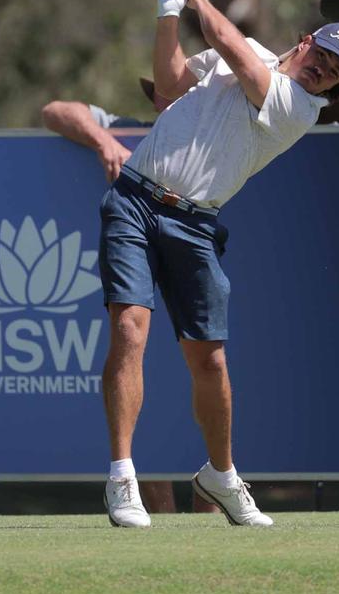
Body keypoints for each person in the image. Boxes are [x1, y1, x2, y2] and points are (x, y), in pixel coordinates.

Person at [100, 0, 339, 528]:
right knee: (130, 328)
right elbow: (171, 86)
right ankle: (123, 477)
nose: (323, 71)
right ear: (305, 43)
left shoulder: (298, 107)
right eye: (323, 56)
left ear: (331, 90)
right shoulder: (253, 55)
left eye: (335, 74)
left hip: (195, 225)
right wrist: (168, 14)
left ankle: (220, 475)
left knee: (210, 359)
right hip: (134, 200)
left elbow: (235, 53)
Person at [42, 88, 218, 515]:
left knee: (209, 381)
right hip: (127, 264)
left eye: (180, 87)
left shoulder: (219, 132)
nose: (168, 96)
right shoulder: (126, 127)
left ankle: (214, 516)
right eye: (160, 89)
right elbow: (56, 110)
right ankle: (146, 510)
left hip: (195, 264)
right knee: (135, 375)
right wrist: (105, 141)